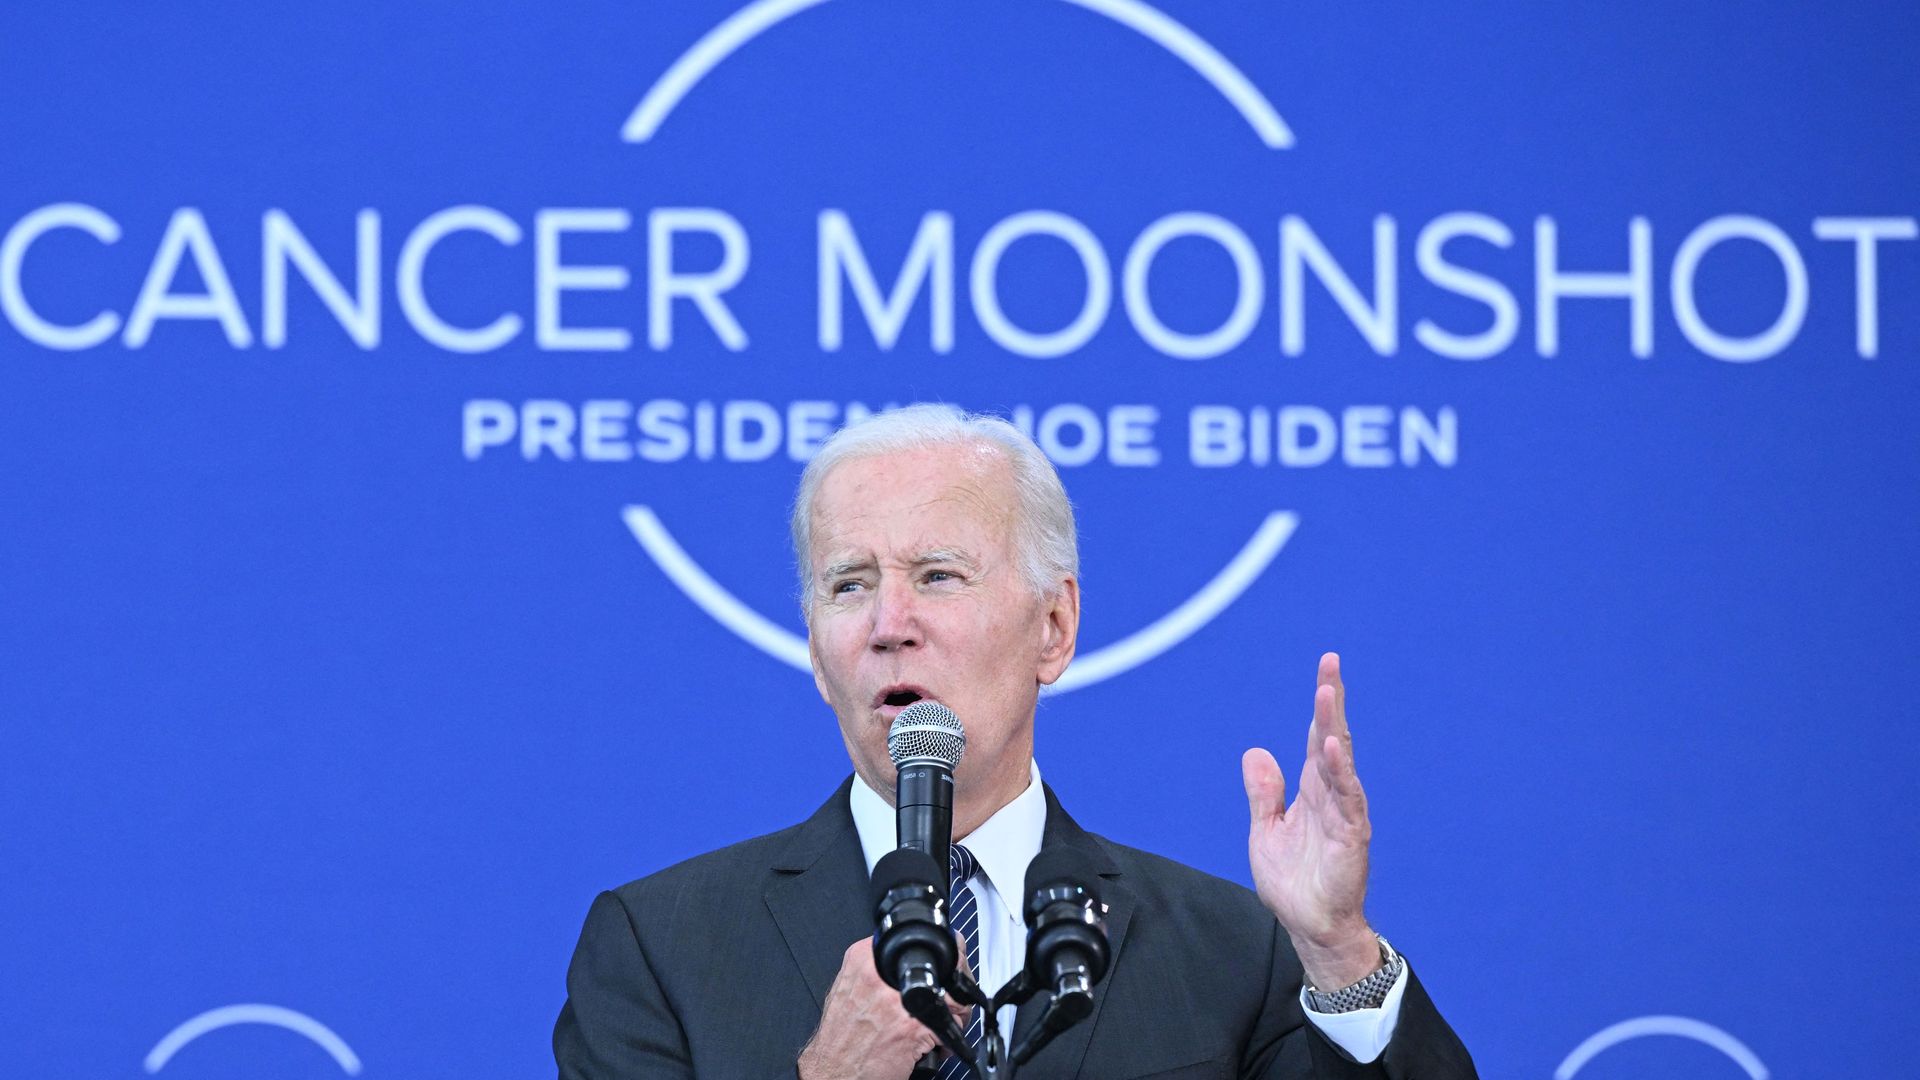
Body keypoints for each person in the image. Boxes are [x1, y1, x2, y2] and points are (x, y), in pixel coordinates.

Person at [554, 405, 1476, 1079]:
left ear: (1055, 627)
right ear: (816, 649)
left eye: (938, 574)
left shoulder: (1235, 951)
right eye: (848, 585)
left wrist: (1339, 952)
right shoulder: (660, 948)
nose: (889, 623)